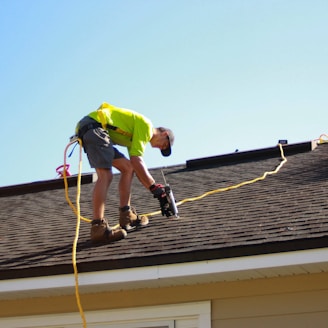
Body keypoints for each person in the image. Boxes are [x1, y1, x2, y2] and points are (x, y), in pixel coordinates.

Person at [75, 102, 174, 243]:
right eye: (163, 144)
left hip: (95, 130)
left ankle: (126, 215)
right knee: (106, 175)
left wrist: (154, 188)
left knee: (128, 168)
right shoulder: (146, 126)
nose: (159, 147)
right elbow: (138, 160)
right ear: (165, 134)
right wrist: (155, 188)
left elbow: (135, 165)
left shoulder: (135, 136)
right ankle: (98, 228)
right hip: (94, 127)